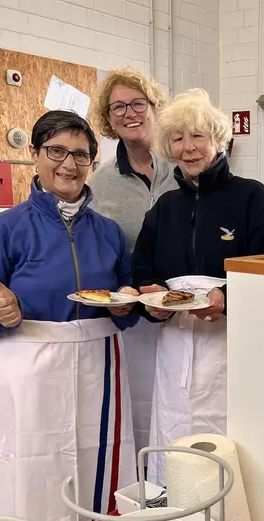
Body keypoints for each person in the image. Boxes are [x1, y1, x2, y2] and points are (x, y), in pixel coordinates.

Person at [0, 111, 138, 521]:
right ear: (34, 155)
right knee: (31, 469)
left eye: (81, 154)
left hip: (99, 365)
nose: (68, 164)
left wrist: (125, 307)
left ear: (91, 162)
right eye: (56, 151)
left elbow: (125, 304)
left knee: (95, 463)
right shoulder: (3, 229)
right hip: (29, 366)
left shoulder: (109, 233)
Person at [132, 89, 264, 485]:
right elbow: (142, 271)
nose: (188, 148)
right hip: (174, 347)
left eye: (198, 136)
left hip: (230, 346)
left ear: (219, 140)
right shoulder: (164, 207)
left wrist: (230, 299)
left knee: (225, 445)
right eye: (178, 138)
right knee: (173, 434)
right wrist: (149, 299)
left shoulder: (253, 199)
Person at [88, 67, 177, 452]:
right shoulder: (99, 183)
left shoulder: (187, 169)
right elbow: (98, 250)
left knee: (183, 409)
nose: (129, 113)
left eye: (138, 103)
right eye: (118, 107)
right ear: (109, 121)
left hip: (190, 312)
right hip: (134, 319)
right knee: (142, 412)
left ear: (155, 106)